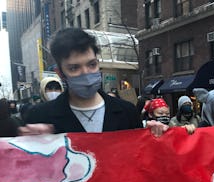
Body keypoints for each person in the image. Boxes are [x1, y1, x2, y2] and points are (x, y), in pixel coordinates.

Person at [18, 27, 167, 137]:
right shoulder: (40, 117)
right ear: (60, 73)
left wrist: (155, 136)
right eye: (74, 68)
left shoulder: (126, 112)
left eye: (91, 64)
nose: (86, 73)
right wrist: (28, 145)